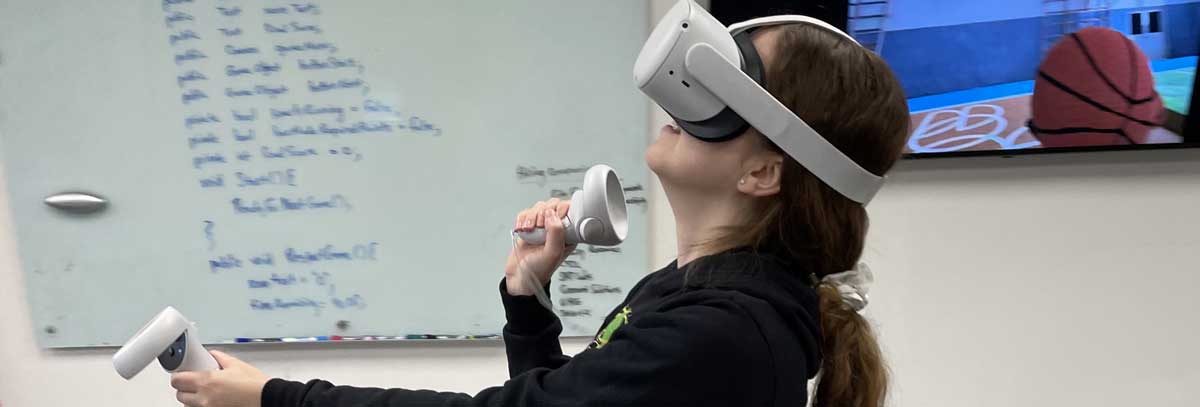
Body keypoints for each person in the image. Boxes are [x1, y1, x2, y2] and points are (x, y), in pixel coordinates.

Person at [169, 20, 910, 407]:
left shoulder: (726, 330)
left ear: (763, 170)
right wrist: (529, 302)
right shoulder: (692, 294)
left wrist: (273, 397)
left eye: (724, 91)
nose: (685, 99)